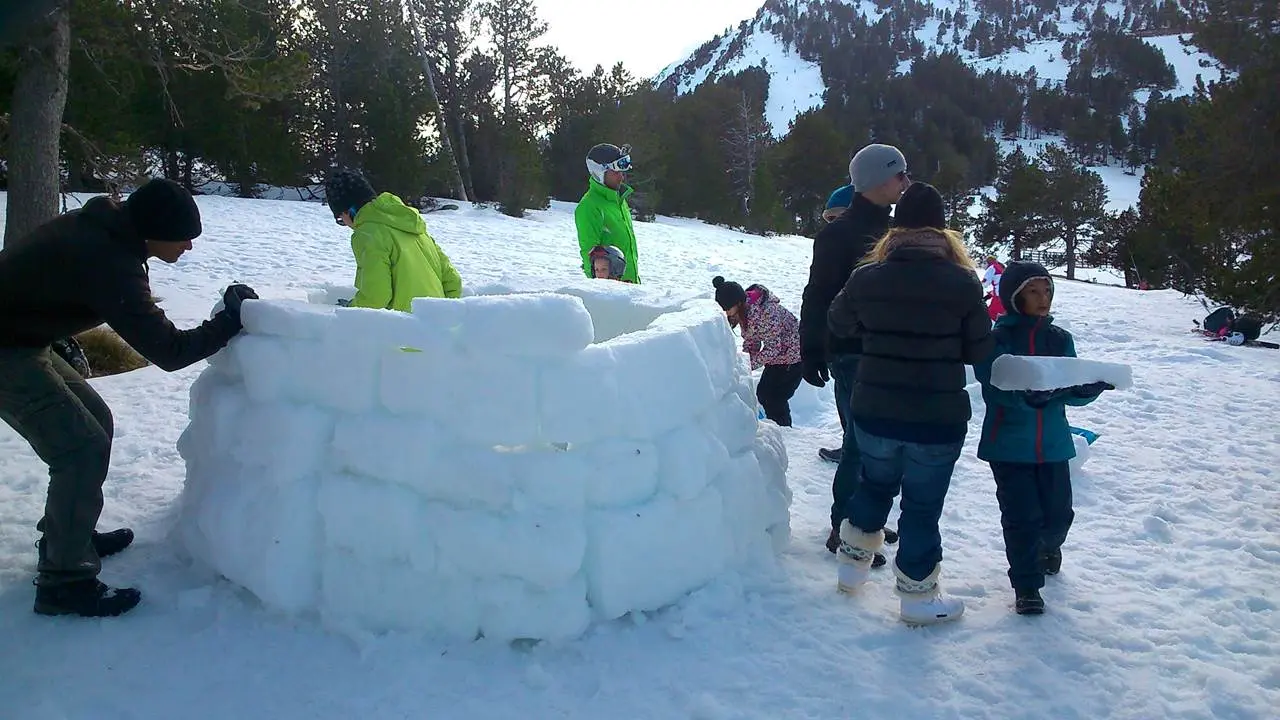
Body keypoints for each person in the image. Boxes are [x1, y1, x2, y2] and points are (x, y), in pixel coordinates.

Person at [0, 178, 257, 617]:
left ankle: (68, 535)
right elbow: (169, 351)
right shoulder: (108, 258)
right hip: (7, 348)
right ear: (154, 229)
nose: (189, 248)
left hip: (22, 338)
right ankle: (64, 580)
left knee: (95, 419)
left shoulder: (107, 231)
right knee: (79, 447)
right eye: (184, 237)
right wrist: (230, 322)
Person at [826, 181, 994, 625]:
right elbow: (980, 351)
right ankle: (918, 598)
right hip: (935, 418)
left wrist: (877, 331)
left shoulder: (868, 277)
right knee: (921, 505)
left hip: (875, 409)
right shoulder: (962, 282)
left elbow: (839, 322)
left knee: (873, 485)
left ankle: (851, 571)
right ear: (943, 230)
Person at [974, 262, 1112, 615]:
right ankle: (1026, 586)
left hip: (1053, 444)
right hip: (1008, 444)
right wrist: (1028, 395)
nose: (1043, 299)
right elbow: (995, 386)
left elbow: (1069, 387)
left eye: (1047, 291)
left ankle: (1049, 546)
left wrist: (1087, 389)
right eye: (1033, 292)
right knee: (1021, 518)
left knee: (1057, 515)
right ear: (1015, 296)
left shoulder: (1059, 339)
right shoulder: (996, 339)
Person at [800, 143, 911, 556]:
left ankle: (867, 521)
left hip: (889, 354)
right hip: (853, 353)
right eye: (900, 174)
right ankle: (844, 528)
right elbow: (819, 293)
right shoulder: (841, 233)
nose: (906, 181)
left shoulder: (896, 233)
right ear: (880, 180)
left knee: (880, 445)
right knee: (860, 446)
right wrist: (812, 348)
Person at [325, 169, 463, 311]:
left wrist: (351, 308)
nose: (347, 225)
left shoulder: (368, 234)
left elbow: (376, 297)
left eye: (341, 219)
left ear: (348, 211)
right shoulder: (416, 228)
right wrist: (442, 316)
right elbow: (453, 282)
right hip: (437, 327)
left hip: (402, 328)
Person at [713, 276, 803, 427]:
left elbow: (774, 347)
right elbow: (751, 340)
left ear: (738, 303)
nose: (726, 313)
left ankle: (784, 430)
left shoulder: (766, 312)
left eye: (727, 309)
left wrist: (749, 364)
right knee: (764, 394)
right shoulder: (745, 312)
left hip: (793, 356)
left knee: (774, 398)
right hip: (778, 358)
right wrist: (744, 360)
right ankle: (778, 426)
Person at [576, 143, 640, 284]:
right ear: (599, 173)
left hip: (631, 287)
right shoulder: (589, 206)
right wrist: (600, 293)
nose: (621, 177)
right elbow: (589, 256)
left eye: (622, 172)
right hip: (612, 293)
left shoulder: (618, 201)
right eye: (616, 172)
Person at [982, 255, 1006, 320]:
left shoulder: (992, 268)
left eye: (984, 263)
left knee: (992, 313)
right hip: (1004, 293)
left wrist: (977, 287)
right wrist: (988, 295)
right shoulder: (1000, 267)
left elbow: (985, 282)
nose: (983, 265)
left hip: (999, 295)